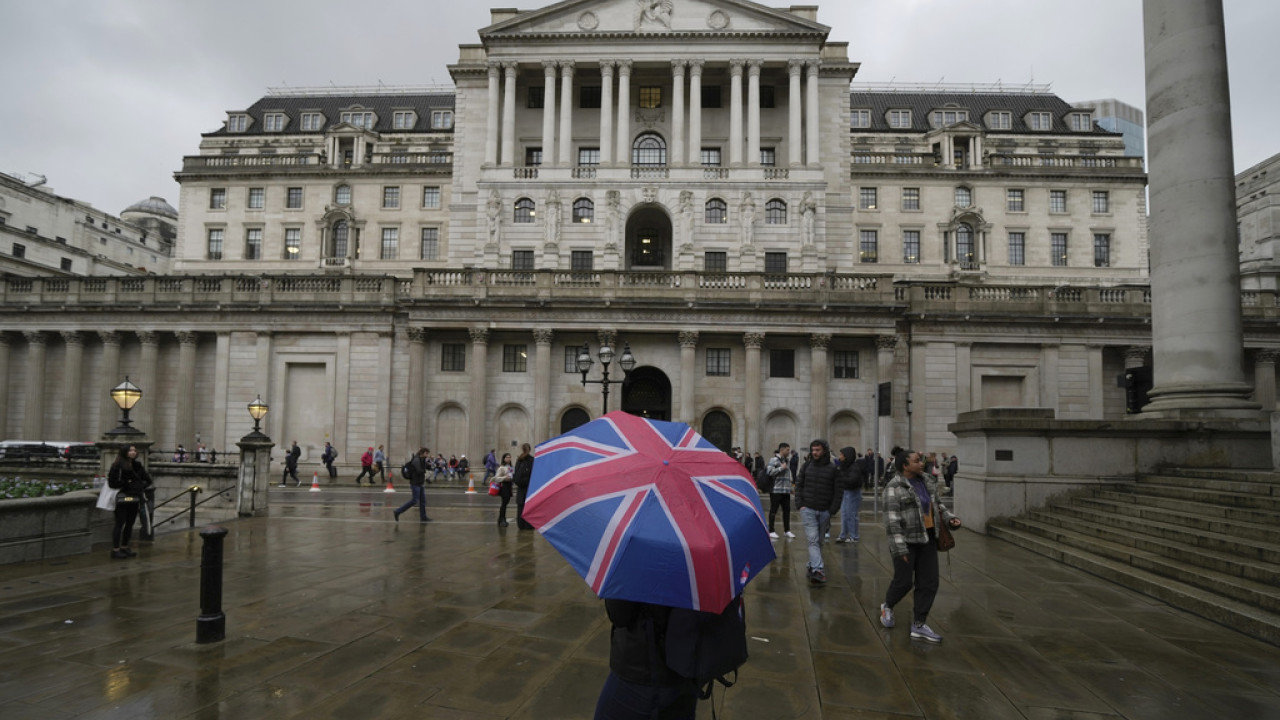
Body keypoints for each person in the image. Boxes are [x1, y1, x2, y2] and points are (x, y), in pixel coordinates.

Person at [880, 449, 962, 643]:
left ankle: (919, 623)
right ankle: (888, 605)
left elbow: (938, 506)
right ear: (905, 466)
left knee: (929, 582)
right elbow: (892, 523)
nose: (921, 463)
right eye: (917, 461)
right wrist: (899, 549)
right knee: (904, 581)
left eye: (921, 460)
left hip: (928, 539)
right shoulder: (893, 488)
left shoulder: (927, 481)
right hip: (907, 542)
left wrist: (951, 519)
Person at [594, 599, 698, 720]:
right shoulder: (700, 579)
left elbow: (620, 614)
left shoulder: (635, 578)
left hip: (641, 670)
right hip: (688, 669)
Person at [795, 439, 838, 584]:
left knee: (819, 541)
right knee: (813, 540)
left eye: (817, 450)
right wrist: (800, 504)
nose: (814, 452)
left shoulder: (833, 468)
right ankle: (818, 570)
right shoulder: (806, 466)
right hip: (808, 509)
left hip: (825, 510)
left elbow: (838, 491)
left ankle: (811, 565)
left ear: (824, 450)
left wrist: (832, 510)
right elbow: (799, 484)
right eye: (813, 450)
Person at [107, 445, 153, 559]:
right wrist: (127, 484)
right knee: (120, 523)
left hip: (134, 497)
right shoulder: (118, 465)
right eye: (130, 450)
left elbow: (148, 480)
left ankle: (124, 547)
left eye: (134, 450)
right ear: (125, 452)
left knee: (130, 523)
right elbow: (112, 483)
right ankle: (115, 550)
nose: (133, 452)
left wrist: (139, 486)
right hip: (123, 498)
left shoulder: (137, 465)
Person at [393, 447, 433, 523]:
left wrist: (428, 466)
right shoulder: (416, 460)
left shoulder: (422, 459)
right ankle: (398, 511)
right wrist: (425, 470)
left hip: (420, 483)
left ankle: (423, 517)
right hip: (415, 483)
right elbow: (419, 471)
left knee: (423, 501)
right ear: (423, 453)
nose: (427, 455)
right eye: (426, 453)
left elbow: (424, 468)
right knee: (414, 501)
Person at [834, 446, 864, 544]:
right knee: (844, 514)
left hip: (852, 492)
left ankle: (854, 536)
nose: (840, 457)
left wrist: (840, 478)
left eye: (841, 455)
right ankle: (843, 535)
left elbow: (853, 480)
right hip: (846, 491)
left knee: (851, 515)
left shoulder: (853, 467)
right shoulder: (845, 465)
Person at [765, 443, 795, 540]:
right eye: (787, 450)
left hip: (785, 490)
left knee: (787, 511)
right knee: (773, 510)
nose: (789, 452)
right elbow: (769, 472)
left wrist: (790, 488)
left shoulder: (787, 460)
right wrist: (781, 468)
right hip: (776, 490)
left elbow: (788, 475)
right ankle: (771, 530)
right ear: (782, 450)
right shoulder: (773, 459)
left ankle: (787, 530)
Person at [513, 442, 535, 530]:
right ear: (529, 450)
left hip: (521, 488)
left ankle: (520, 524)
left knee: (520, 507)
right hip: (529, 487)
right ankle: (528, 525)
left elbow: (516, 474)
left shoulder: (519, 459)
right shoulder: (531, 460)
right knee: (529, 507)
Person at [494, 452, 514, 527]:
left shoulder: (511, 467)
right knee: (504, 504)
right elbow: (496, 478)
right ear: (504, 458)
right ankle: (502, 519)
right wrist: (504, 478)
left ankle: (500, 519)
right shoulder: (501, 467)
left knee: (506, 502)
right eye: (507, 457)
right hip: (504, 486)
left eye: (509, 457)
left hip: (509, 486)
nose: (508, 458)